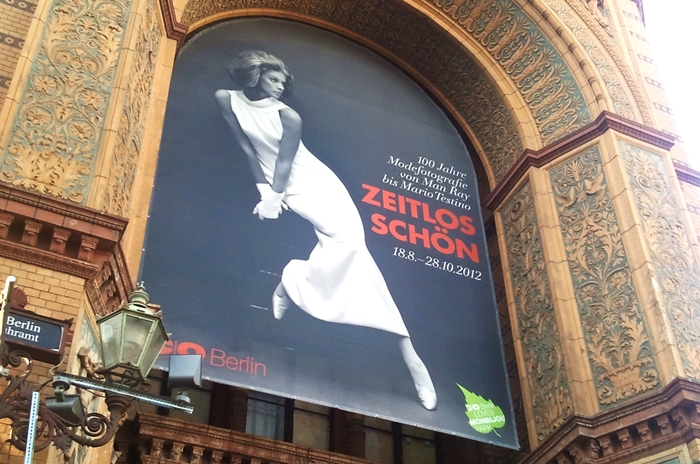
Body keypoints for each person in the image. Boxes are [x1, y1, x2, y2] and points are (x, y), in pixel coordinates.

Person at [215, 50, 437, 410]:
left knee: (354, 249)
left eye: (283, 82)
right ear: (254, 75)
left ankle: (293, 278)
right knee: (354, 256)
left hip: (315, 182)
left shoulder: (288, 116)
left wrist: (274, 196)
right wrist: (265, 194)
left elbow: (286, 160)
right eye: (273, 79)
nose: (279, 87)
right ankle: (413, 361)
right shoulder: (225, 98)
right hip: (279, 186)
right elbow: (246, 147)